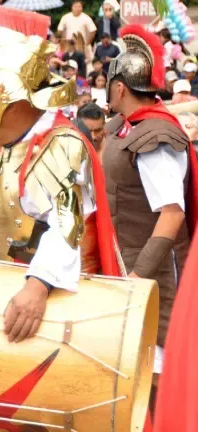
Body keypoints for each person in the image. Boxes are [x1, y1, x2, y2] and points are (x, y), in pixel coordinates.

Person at [0, 26, 120, 352]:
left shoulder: (62, 145)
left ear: (8, 99)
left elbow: (67, 225)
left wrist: (38, 285)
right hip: (8, 296)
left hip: (63, 313)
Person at [103, 25, 198, 411]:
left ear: (121, 87)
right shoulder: (129, 128)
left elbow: (172, 214)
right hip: (129, 264)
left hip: (156, 274)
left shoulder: (156, 137)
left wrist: (139, 275)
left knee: (157, 369)